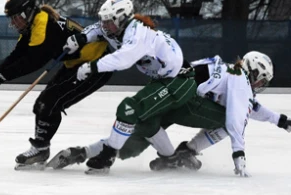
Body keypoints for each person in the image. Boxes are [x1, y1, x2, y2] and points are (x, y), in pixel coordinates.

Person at [51, 52, 288, 176]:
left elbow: (251, 106)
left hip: (171, 90)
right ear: (254, 73)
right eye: (261, 79)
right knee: (230, 121)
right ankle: (186, 151)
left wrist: (280, 120)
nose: (259, 85)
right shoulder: (239, 80)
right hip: (187, 100)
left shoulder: (227, 71)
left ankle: (82, 152)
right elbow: (239, 117)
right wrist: (239, 155)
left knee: (135, 136)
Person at [57, 0, 192, 174]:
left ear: (122, 18)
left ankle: (107, 156)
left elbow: (124, 59)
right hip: (163, 79)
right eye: (103, 21)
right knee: (143, 126)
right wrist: (81, 38)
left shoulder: (137, 33)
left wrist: (93, 66)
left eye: (108, 22)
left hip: (178, 80)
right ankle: (172, 158)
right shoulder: (115, 28)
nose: (105, 26)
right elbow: (97, 29)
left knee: (129, 108)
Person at [0, 0, 110, 169]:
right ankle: (40, 149)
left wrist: (2, 76)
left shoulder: (44, 25)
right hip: (76, 63)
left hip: (96, 64)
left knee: (48, 103)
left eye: (16, 17)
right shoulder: (34, 23)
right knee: (43, 104)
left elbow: (33, 61)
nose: (13, 22)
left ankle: (43, 149)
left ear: (28, 12)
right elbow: (19, 52)